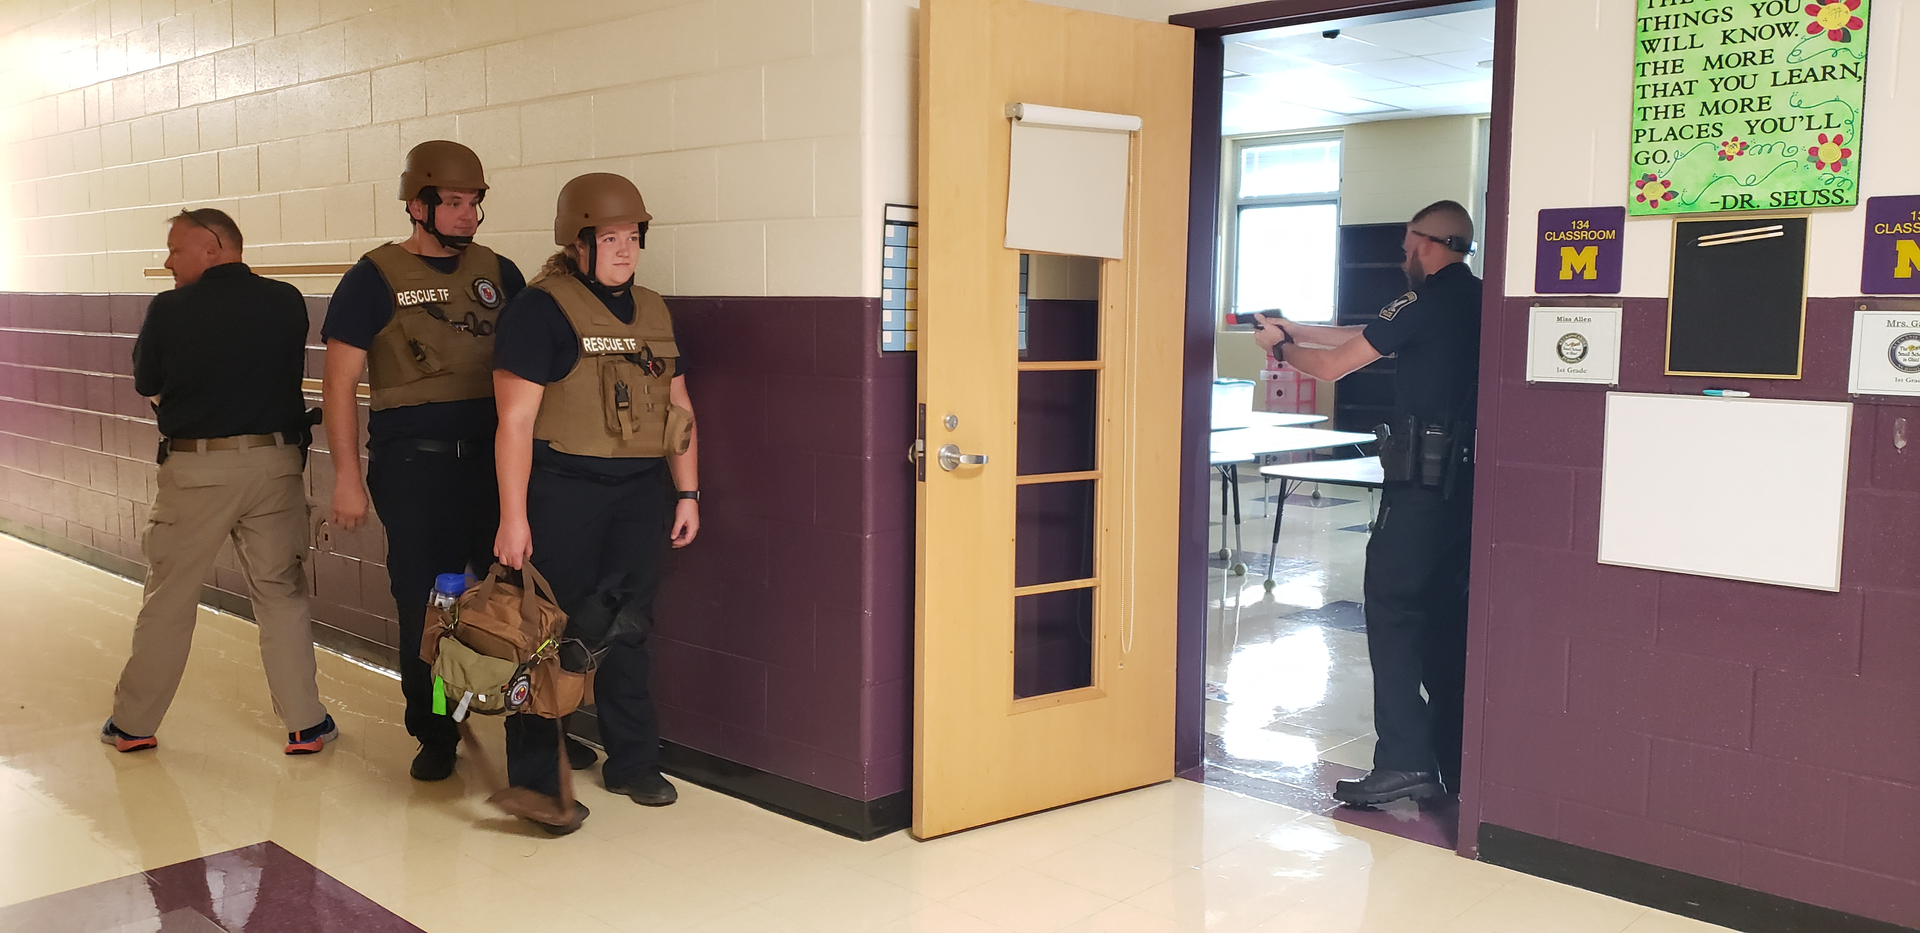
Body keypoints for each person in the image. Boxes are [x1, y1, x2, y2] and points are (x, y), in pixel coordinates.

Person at [1253, 199, 1481, 805]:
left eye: (1408, 243)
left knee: (1390, 608)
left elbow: (1331, 366)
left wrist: (1280, 351)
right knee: (1442, 619)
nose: (1404, 254)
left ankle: (1403, 760)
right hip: (1467, 491)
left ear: (1424, 244)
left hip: (1420, 489)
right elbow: (1364, 334)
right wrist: (1294, 328)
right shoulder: (1477, 299)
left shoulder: (1426, 302)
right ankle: (1452, 757)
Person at [492, 172, 701, 834]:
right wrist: (514, 515)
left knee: (628, 625)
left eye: (632, 236)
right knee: (542, 632)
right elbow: (515, 423)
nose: (624, 250)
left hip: (638, 491)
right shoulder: (539, 309)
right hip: (563, 491)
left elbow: (679, 407)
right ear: (578, 242)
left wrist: (689, 490)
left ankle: (633, 760)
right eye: (610, 237)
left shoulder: (655, 310)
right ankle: (535, 781)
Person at [319, 140, 526, 782]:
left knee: (512, 595)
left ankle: (528, 724)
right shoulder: (373, 278)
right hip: (416, 470)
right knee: (433, 604)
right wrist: (348, 478)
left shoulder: (500, 273)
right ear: (418, 205)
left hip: (491, 464)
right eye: (455, 203)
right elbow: (338, 387)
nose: (468, 215)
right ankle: (437, 727)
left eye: (475, 203)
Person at [104, 209, 336, 756]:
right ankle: (305, 724)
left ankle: (134, 725)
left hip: (197, 471)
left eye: (175, 249)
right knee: (281, 592)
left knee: (170, 595)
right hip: (276, 466)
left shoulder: (170, 308)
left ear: (212, 246)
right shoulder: (286, 300)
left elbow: (147, 381)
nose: (167, 261)